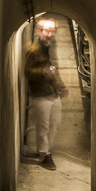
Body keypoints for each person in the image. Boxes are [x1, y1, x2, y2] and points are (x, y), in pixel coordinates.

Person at [24, 17, 68, 170]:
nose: (49, 34)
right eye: (46, 31)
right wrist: (43, 72)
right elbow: (28, 71)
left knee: (54, 124)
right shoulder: (33, 50)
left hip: (52, 93)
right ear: (39, 31)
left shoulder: (49, 47)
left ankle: (45, 149)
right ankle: (44, 155)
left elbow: (52, 67)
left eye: (52, 31)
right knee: (43, 127)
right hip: (40, 94)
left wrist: (57, 82)